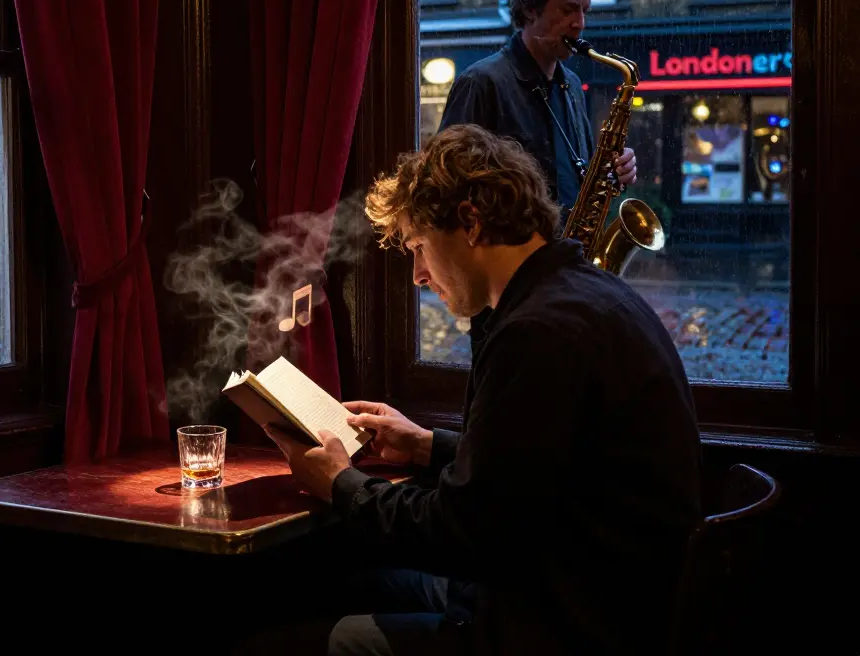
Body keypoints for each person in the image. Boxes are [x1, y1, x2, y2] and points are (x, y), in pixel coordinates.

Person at [257, 124, 702, 655]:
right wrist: (427, 445)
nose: (418, 275)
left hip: (556, 622)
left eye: (419, 246)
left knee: (276, 641)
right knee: (342, 582)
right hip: (577, 583)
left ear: (469, 222)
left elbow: (463, 536)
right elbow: (533, 472)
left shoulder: (537, 332)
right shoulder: (582, 293)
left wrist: (340, 482)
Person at [438, 0, 639, 356]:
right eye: (568, 9)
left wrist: (612, 172)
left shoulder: (570, 85)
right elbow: (444, 187)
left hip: (564, 272)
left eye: (584, 11)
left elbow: (580, 170)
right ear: (530, 9)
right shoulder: (482, 83)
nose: (580, 23)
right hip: (507, 283)